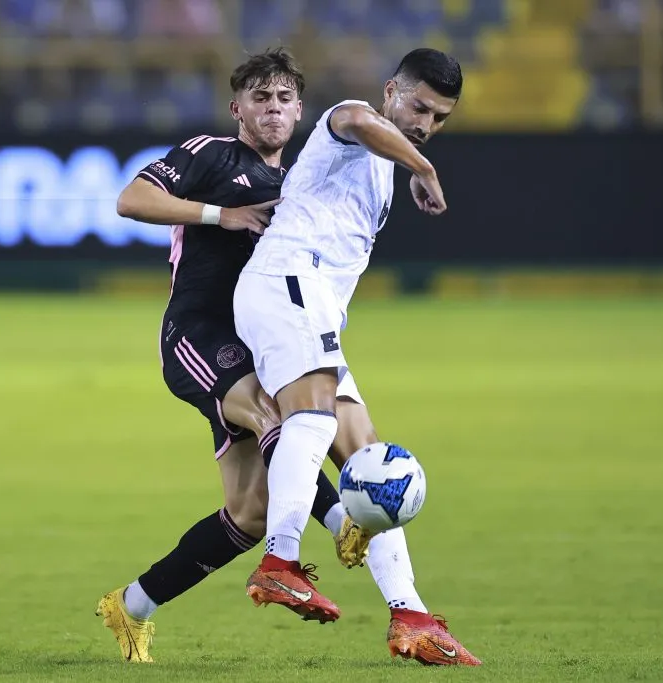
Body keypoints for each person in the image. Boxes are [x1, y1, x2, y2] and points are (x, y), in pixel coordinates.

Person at [95, 47, 479, 667]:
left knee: (256, 508)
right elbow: (131, 200)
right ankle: (316, 538)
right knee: (291, 420)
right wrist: (223, 215)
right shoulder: (218, 153)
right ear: (237, 108)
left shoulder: (297, 180)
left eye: (283, 99)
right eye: (260, 98)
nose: (273, 110)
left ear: (298, 109)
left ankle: (132, 605)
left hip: (271, 336)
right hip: (202, 333)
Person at [233, 47, 465, 632]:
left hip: (311, 308)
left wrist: (409, 165)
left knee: (372, 462)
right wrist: (425, 169)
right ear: (391, 90)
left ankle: (411, 616)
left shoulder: (383, 168)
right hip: (287, 280)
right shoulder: (352, 119)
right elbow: (359, 121)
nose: (426, 124)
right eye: (419, 107)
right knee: (312, 420)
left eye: (439, 118)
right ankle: (280, 560)